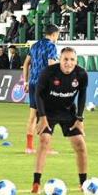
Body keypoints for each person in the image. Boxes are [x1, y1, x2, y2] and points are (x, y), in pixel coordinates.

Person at [31, 47, 90, 194]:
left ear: (76, 61)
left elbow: (82, 96)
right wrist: (42, 118)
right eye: (65, 59)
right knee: (44, 141)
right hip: (48, 111)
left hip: (68, 112)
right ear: (60, 59)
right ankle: (36, 183)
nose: (68, 63)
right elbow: (38, 94)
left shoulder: (81, 74)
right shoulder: (49, 72)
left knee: (80, 144)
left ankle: (83, 183)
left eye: (72, 60)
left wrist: (80, 118)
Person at [23, 24, 60, 154]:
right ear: (54, 34)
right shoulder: (51, 46)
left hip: (33, 83)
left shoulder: (34, 45)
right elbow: (51, 65)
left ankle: (29, 147)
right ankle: (46, 148)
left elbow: (26, 64)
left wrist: (26, 81)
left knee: (33, 116)